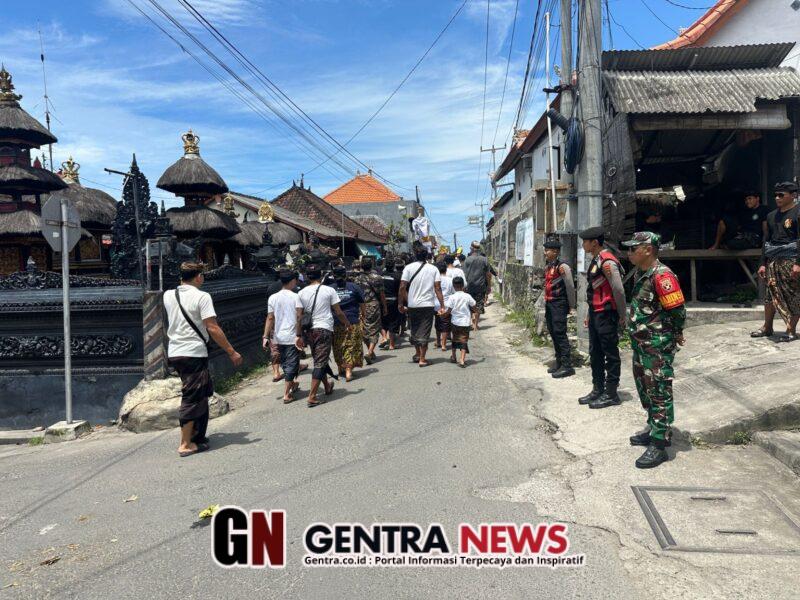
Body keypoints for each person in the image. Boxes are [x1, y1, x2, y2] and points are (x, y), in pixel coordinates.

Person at [164, 262, 243, 457]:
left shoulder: (168, 295)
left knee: (201, 392)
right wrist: (231, 351)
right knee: (192, 396)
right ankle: (185, 443)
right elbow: (212, 327)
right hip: (193, 352)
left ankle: (197, 436)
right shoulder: (202, 296)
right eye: (202, 275)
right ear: (198, 277)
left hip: (175, 352)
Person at [623, 232, 686, 469]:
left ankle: (659, 443)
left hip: (657, 345)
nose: (629, 252)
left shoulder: (663, 276)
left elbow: (677, 310)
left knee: (659, 389)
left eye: (633, 248)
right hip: (642, 344)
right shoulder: (641, 273)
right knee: (645, 388)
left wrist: (676, 333)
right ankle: (653, 428)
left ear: (648, 250)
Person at [577, 227, 627, 409]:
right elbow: (594, 290)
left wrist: (622, 314)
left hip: (607, 313)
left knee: (610, 354)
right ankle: (598, 389)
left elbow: (618, 290)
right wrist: (589, 315)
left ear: (594, 243)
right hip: (596, 313)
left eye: (585, 242)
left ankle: (611, 393)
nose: (583, 245)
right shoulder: (596, 260)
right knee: (595, 352)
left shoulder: (607, 262)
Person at [753, 182, 800, 341]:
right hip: (773, 260)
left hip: (792, 260)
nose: (777, 198)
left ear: (793, 195)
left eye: (781, 195)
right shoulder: (771, 216)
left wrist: (798, 263)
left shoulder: (798, 212)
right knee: (770, 295)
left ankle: (791, 330)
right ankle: (767, 327)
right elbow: (766, 240)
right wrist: (762, 263)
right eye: (775, 195)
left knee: (793, 295)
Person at [298, 264, 350, 407]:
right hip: (324, 329)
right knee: (320, 362)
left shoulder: (301, 293)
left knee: (320, 358)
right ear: (321, 275)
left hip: (309, 331)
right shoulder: (329, 290)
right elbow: (338, 312)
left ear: (307, 276)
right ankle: (312, 397)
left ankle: (327, 386)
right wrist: (347, 323)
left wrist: (298, 335)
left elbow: (299, 316)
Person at [399, 241, 445, 367]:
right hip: (427, 305)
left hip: (412, 305)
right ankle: (422, 359)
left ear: (415, 254)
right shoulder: (433, 269)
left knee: (414, 330)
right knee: (425, 331)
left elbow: (402, 287)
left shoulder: (408, 268)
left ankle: (418, 353)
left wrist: (401, 303)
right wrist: (442, 305)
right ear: (426, 256)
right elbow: (438, 288)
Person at [263, 270, 304, 403]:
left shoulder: (272, 298)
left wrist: (265, 336)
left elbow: (270, 318)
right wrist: (299, 335)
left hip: (278, 336)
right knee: (292, 363)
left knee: (286, 362)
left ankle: (292, 384)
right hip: (292, 336)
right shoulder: (295, 297)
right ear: (292, 281)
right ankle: (286, 394)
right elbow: (299, 317)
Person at [543, 238, 576, 378]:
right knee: (553, 332)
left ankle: (567, 366)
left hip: (559, 304)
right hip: (550, 304)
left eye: (547, 250)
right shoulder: (549, 266)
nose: (545, 253)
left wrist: (572, 305)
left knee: (560, 333)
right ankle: (559, 362)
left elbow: (570, 287)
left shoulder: (562, 267)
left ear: (555, 252)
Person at [329, 264, 366, 382]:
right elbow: (362, 303)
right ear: (345, 275)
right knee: (351, 345)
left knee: (338, 346)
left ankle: (341, 367)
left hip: (336, 322)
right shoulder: (354, 287)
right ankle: (348, 370)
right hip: (352, 321)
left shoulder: (330, 289)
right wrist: (363, 315)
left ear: (334, 276)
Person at [355, 257, 387, 363]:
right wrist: (385, 307)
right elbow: (382, 294)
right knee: (374, 329)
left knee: (364, 329)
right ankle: (369, 352)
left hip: (361, 306)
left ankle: (371, 352)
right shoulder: (377, 278)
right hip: (373, 304)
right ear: (371, 265)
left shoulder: (357, 279)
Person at [442, 276, 476, 367]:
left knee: (455, 338)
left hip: (455, 322)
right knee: (464, 340)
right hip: (465, 322)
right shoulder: (467, 296)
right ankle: (462, 360)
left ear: (453, 286)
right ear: (463, 285)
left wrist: (443, 315)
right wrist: (476, 312)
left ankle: (453, 356)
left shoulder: (452, 297)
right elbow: (474, 306)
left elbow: (449, 310)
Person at [463, 241, 491, 330]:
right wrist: (489, 285)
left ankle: (472, 322)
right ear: (479, 249)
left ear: (471, 248)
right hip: (480, 286)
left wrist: (464, 287)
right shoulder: (484, 259)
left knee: (470, 304)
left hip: (469, 286)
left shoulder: (467, 260)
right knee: (479, 304)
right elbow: (488, 274)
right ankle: (476, 324)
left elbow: (464, 274)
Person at [380, 258, 404, 350]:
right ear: (393, 266)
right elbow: (400, 291)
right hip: (393, 302)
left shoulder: (380, 276)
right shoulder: (397, 276)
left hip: (382, 301)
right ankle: (391, 345)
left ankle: (384, 337)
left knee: (383, 320)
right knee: (393, 322)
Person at [434, 262, 454, 351]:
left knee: (438, 323)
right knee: (445, 324)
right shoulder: (450, 280)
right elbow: (453, 292)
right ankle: (444, 345)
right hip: (447, 304)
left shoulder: (435, 280)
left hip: (436, 304)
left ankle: (438, 341)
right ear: (446, 270)